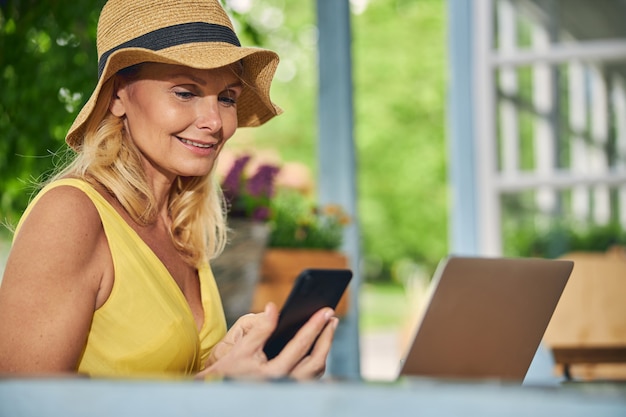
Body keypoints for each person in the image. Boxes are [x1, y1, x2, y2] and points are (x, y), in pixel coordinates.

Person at [0, 0, 338, 380]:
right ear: (117, 96)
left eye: (227, 97)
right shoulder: (70, 215)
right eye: (185, 92)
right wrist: (222, 389)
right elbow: (22, 403)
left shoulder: (181, 226)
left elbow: (164, 380)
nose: (214, 121)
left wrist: (224, 362)